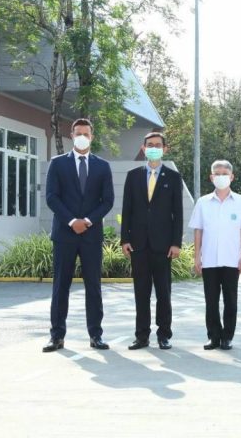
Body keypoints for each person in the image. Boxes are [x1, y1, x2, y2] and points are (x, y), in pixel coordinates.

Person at [43, 118, 114, 352]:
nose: (82, 136)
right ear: (71, 135)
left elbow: (108, 200)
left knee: (93, 287)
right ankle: (56, 336)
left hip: (91, 236)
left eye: (86, 133)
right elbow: (52, 197)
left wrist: (88, 221)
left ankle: (96, 335)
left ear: (92, 136)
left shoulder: (102, 166)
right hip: (65, 234)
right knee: (60, 286)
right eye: (78, 133)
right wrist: (72, 221)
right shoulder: (58, 164)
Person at [120, 132, 184, 350]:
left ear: (165, 149)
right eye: (150, 145)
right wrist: (125, 239)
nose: (153, 148)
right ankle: (141, 336)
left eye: (158, 145)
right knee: (141, 293)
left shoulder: (173, 177)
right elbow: (127, 209)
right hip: (138, 244)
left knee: (163, 293)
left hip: (163, 246)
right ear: (143, 148)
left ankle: (164, 335)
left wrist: (176, 243)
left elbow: (178, 213)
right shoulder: (133, 176)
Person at [189, 160, 241, 350]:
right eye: (217, 174)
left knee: (230, 300)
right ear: (211, 177)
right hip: (209, 260)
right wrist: (197, 257)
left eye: (224, 174)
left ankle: (227, 337)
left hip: (232, 259)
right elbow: (198, 231)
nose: (221, 177)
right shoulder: (203, 203)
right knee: (211, 301)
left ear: (232, 177)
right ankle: (213, 336)